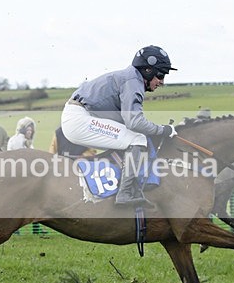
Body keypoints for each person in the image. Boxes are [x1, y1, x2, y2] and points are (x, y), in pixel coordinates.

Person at [61, 45, 177, 206]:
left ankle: (128, 185)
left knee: (134, 136)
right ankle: (126, 192)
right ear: (147, 71)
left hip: (79, 116)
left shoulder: (131, 78)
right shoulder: (133, 82)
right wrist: (163, 130)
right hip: (79, 119)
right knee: (137, 138)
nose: (162, 82)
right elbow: (135, 122)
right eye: (160, 75)